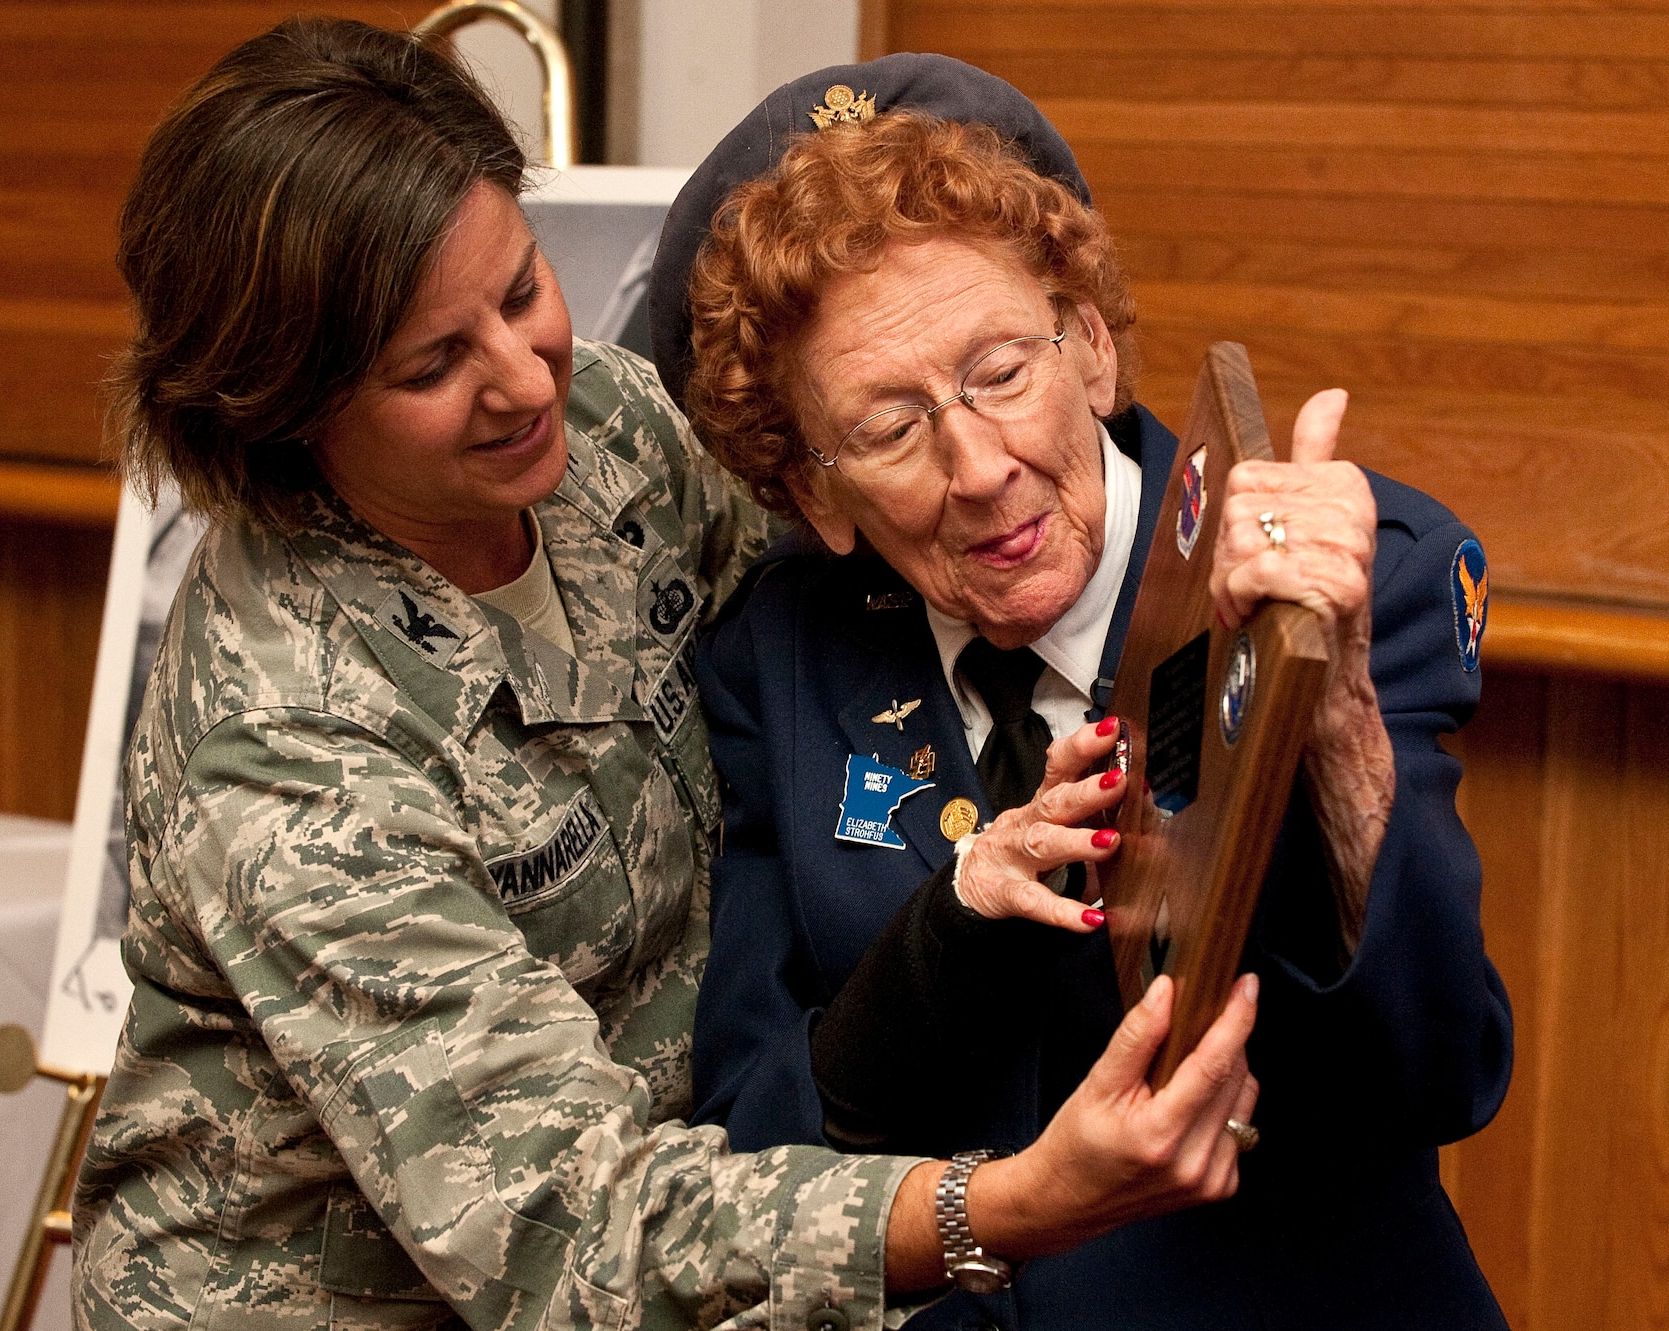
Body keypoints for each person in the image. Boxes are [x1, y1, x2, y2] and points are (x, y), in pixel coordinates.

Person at [70, 22, 1263, 1331]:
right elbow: (567, 1230)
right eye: (432, 365)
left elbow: (862, 587)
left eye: (522, 290)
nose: (526, 380)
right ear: (287, 410)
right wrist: (1013, 1200)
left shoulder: (614, 431)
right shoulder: (294, 737)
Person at [649, 55, 1515, 1330]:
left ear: (1092, 348)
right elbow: (755, 1126)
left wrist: (1324, 726)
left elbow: (1438, 1068)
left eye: (1001, 369)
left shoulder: (1338, 568)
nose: (980, 465)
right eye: (888, 428)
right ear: (809, 491)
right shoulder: (776, 655)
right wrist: (946, 934)